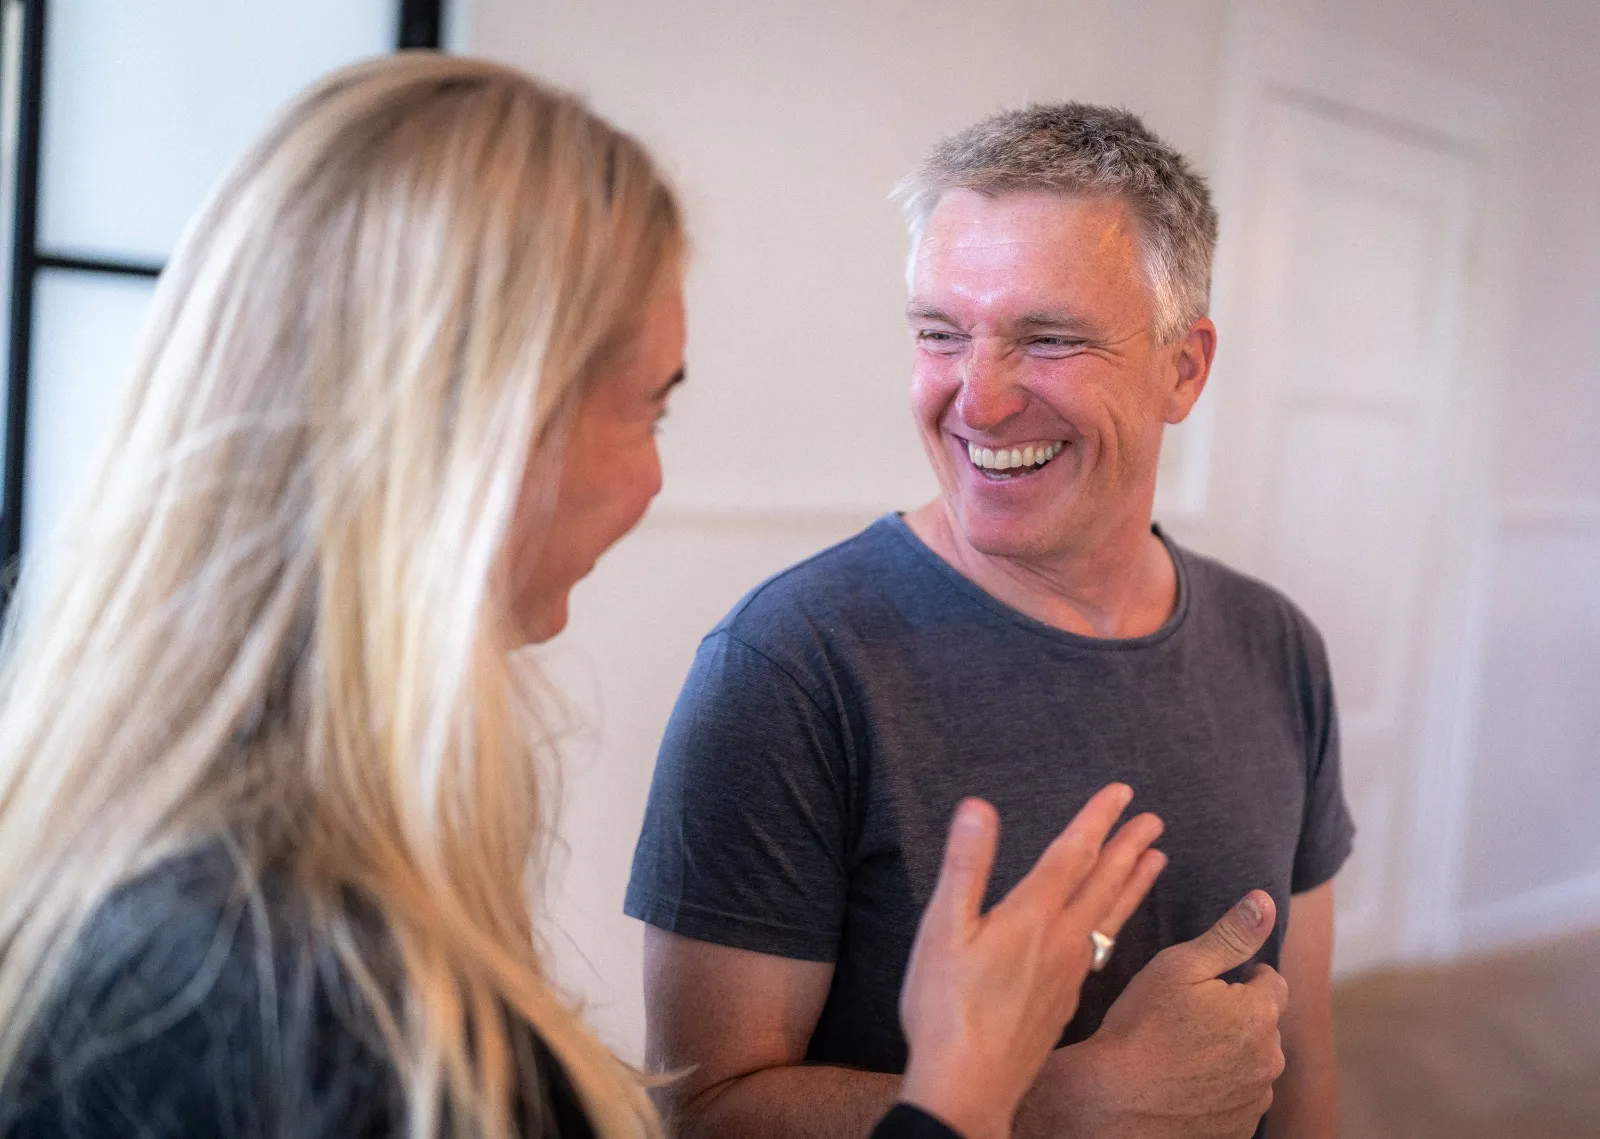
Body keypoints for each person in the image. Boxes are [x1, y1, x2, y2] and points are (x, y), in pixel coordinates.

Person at [0, 57, 1165, 1139]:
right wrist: (972, 1089)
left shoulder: (232, 891)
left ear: (1183, 365)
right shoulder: (281, 985)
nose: (654, 479)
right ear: (492, 430)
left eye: (1050, 338)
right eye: (650, 407)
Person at [626, 103, 1354, 1139]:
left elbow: (1300, 1050)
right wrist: (1061, 1108)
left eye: (1048, 339)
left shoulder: (1278, 647)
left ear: (1183, 367)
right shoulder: (788, 667)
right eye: (940, 334)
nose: (978, 399)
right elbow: (704, 1113)